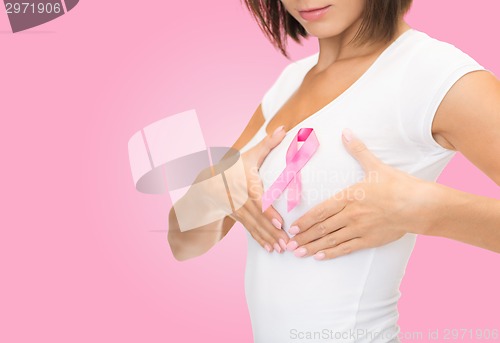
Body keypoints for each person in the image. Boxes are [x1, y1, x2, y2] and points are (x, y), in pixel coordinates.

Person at [167, 0, 500, 341]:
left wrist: (424, 210)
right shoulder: (289, 81)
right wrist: (214, 191)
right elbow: (184, 244)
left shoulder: (435, 74)